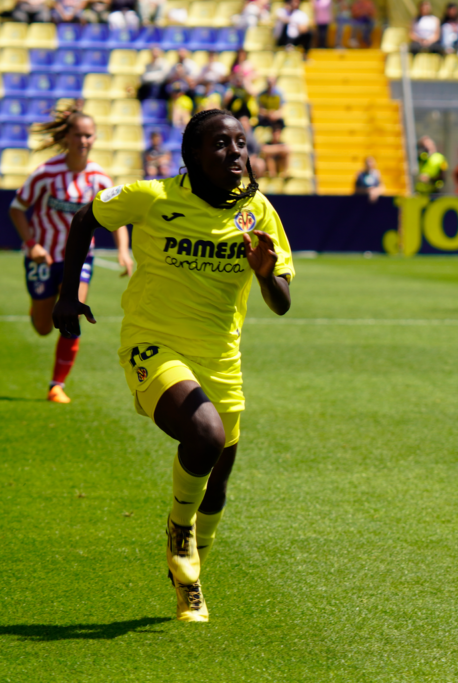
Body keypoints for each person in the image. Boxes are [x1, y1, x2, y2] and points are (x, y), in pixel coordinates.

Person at [51, 108, 295, 623]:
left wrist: (267, 273)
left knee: (218, 480)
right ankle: (177, 531)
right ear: (193, 155)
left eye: (241, 142)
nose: (235, 153)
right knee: (203, 435)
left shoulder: (259, 213)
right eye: (221, 144)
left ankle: (189, 578)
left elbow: (282, 300)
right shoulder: (154, 196)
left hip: (220, 358)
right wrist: (67, 295)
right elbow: (85, 219)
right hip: (153, 344)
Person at [9, 109, 133, 404]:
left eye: (88, 135)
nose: (83, 140)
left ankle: (57, 385)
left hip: (79, 259)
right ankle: (38, 306)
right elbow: (17, 208)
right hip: (43, 257)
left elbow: (118, 217)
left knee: (72, 314)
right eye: (78, 134)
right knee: (41, 328)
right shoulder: (46, 173)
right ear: (67, 137)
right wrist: (31, 244)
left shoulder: (100, 178)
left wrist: (124, 251)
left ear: (95, 138)